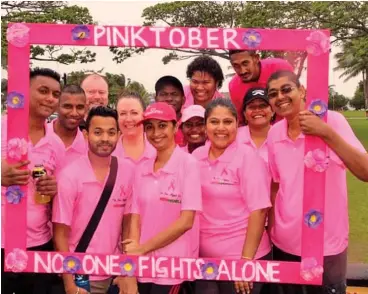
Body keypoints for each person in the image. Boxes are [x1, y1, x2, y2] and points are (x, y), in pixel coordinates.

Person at [266, 70, 368, 294]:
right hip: (285, 243)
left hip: (326, 245)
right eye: (273, 94)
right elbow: (277, 185)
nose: (280, 97)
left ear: (302, 90)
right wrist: (273, 228)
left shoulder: (332, 121)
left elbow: (365, 171)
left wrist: (325, 133)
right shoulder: (274, 134)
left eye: (286, 89)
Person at [53, 106, 135, 294]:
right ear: (85, 134)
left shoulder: (127, 170)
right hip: (82, 274)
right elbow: (60, 234)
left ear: (119, 135)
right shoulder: (70, 176)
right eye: (97, 132)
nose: (105, 138)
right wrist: (69, 284)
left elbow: (128, 223)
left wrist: (126, 271)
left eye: (111, 132)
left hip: (115, 272)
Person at [192, 98, 271, 294]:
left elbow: (259, 211)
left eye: (227, 122)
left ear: (237, 124)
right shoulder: (195, 158)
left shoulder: (248, 158)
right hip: (204, 261)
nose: (221, 128)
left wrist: (245, 262)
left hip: (242, 261)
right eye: (214, 121)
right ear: (205, 125)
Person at [122, 102, 202, 294]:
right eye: (150, 127)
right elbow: (135, 216)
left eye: (162, 125)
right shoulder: (142, 168)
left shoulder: (188, 164)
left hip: (173, 267)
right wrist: (133, 261)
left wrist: (142, 249)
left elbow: (186, 222)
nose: (156, 133)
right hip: (143, 266)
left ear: (175, 128)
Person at [1, 68, 65, 294]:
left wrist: (54, 188)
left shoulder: (56, 144)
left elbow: (59, 193)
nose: (50, 98)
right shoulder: (2, 126)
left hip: (39, 243)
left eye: (56, 94)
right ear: (24, 92)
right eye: (43, 91)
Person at [228, 50, 293, 125]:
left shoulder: (280, 67)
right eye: (236, 66)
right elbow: (241, 119)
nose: (242, 71)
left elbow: (295, 100)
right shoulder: (234, 86)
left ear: (256, 58)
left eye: (245, 63)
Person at [47, 84, 88, 170]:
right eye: (68, 106)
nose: (74, 113)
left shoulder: (88, 145)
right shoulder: (39, 136)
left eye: (79, 107)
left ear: (86, 109)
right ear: (57, 107)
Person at [113, 91, 155, 164]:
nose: (128, 119)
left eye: (134, 113)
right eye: (123, 113)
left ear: (144, 115)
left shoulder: (158, 147)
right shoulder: (109, 151)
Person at [237, 87, 274, 165]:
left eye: (263, 106)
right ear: (244, 114)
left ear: (273, 111)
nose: (257, 110)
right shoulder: (234, 136)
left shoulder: (281, 136)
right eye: (252, 107)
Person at [155, 75, 187, 146]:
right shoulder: (148, 126)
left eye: (174, 94)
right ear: (156, 99)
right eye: (163, 94)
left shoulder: (190, 124)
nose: (169, 99)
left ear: (183, 99)